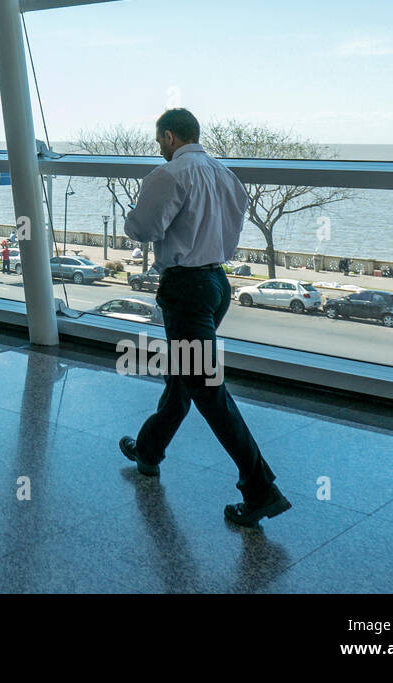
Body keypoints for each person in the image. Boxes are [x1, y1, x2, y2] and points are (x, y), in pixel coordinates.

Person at [119, 108, 291, 527]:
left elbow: (142, 229)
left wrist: (134, 214)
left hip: (186, 290)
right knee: (184, 379)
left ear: (169, 136)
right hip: (217, 285)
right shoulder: (226, 176)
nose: (159, 147)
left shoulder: (169, 175)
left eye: (160, 140)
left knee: (207, 389)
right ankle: (148, 450)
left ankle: (260, 489)